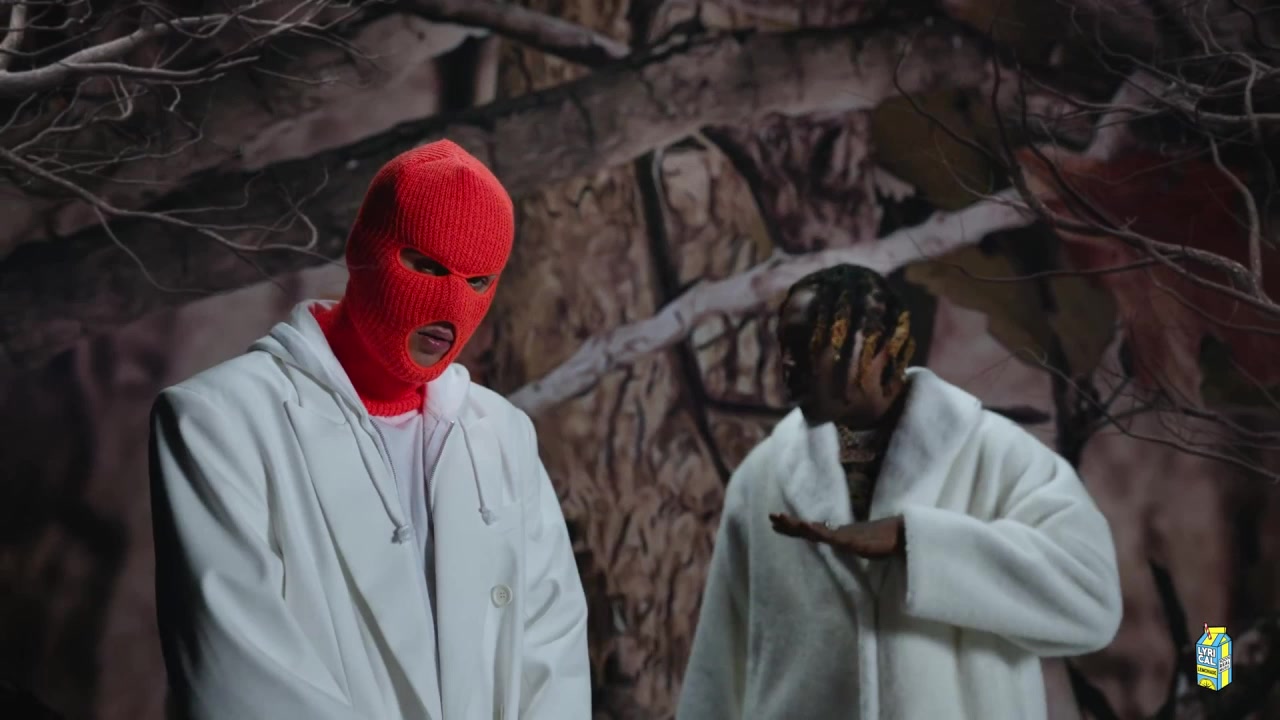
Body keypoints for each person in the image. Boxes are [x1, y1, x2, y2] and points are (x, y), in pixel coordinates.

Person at [149, 140, 591, 720]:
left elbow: (553, 651)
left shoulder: (504, 435)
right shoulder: (218, 422)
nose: (450, 304)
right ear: (362, 250)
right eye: (426, 266)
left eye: (479, 281)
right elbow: (243, 680)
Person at [676, 264, 1123, 720]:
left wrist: (917, 543)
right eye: (787, 345)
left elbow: (1091, 601)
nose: (791, 363)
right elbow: (717, 670)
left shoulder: (996, 456)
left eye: (816, 344)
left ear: (882, 348)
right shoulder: (763, 476)